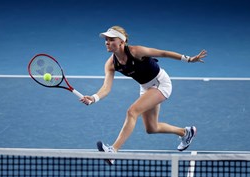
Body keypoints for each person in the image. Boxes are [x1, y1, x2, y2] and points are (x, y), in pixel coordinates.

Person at [81, 26, 207, 165]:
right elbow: (106, 87)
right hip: (146, 87)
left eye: (111, 39)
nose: (107, 42)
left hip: (161, 83)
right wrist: (94, 98)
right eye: (106, 39)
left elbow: (163, 53)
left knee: (132, 112)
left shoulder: (136, 51)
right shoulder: (111, 64)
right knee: (151, 128)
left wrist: (189, 59)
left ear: (122, 42)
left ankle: (113, 151)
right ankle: (185, 132)